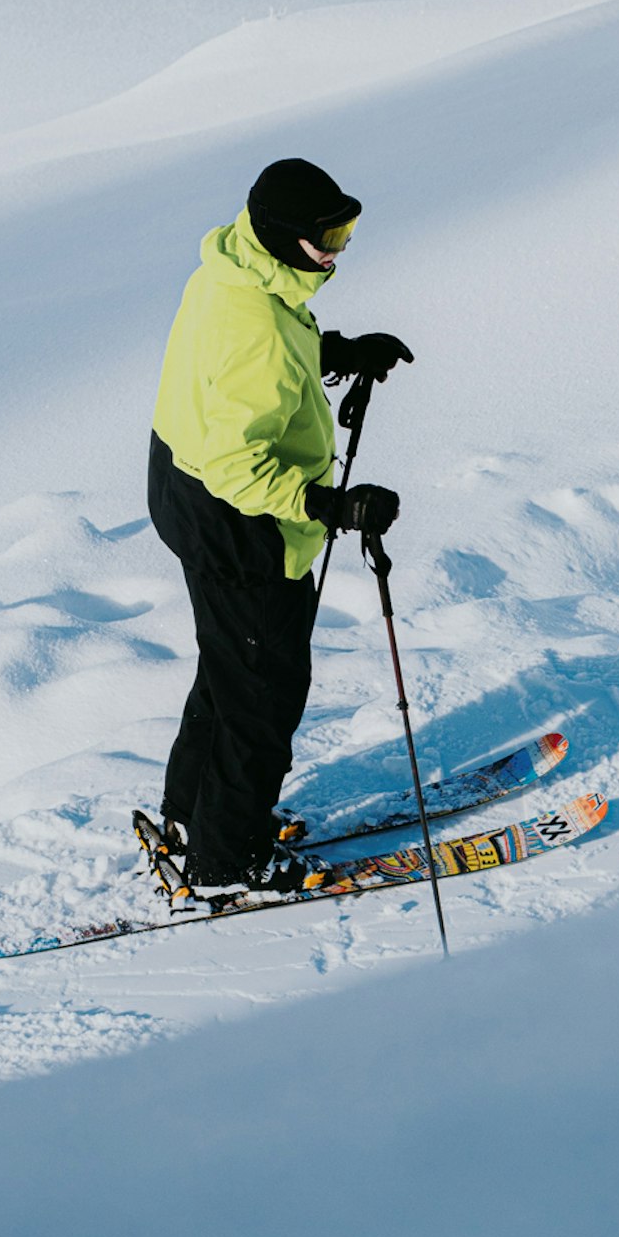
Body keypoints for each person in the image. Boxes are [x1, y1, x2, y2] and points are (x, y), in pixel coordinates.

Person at [147, 157, 412, 892]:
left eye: (347, 228)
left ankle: (190, 812)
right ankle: (227, 861)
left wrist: (336, 351)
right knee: (263, 690)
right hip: (238, 522)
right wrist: (330, 505)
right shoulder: (258, 324)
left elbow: (242, 369)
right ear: (284, 234)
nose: (338, 248)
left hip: (184, 492)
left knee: (231, 663)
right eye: (328, 233)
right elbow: (238, 459)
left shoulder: (234, 270)